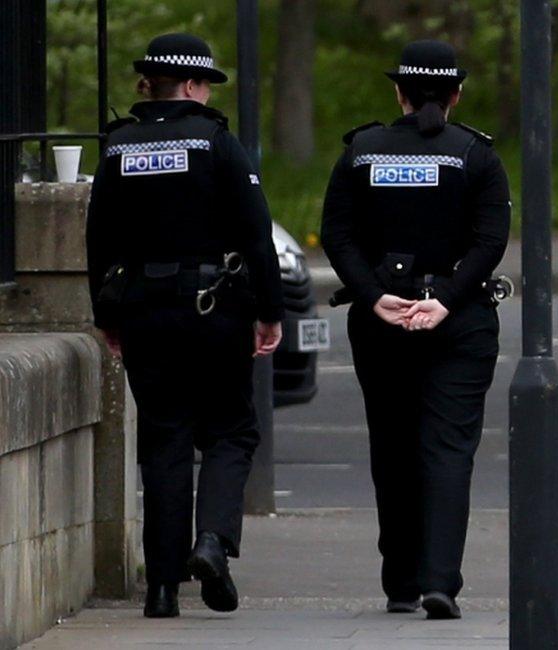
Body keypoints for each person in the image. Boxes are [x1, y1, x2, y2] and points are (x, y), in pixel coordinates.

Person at [86, 33, 283, 618]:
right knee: (230, 429)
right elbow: (257, 234)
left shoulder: (118, 146)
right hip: (215, 307)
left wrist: (107, 317)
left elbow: (99, 241)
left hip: (145, 310)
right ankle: (213, 542)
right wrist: (270, 312)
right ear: (195, 86)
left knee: (164, 441)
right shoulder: (217, 142)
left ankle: (162, 589)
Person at [321, 40, 510, 620]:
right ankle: (440, 582)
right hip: (460, 319)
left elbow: (338, 235)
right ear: (456, 94)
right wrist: (447, 300)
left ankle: (401, 581)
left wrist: (376, 296)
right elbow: (490, 241)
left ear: (398, 92)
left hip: (381, 321)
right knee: (449, 449)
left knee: (394, 446)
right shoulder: (477, 155)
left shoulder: (361, 151)